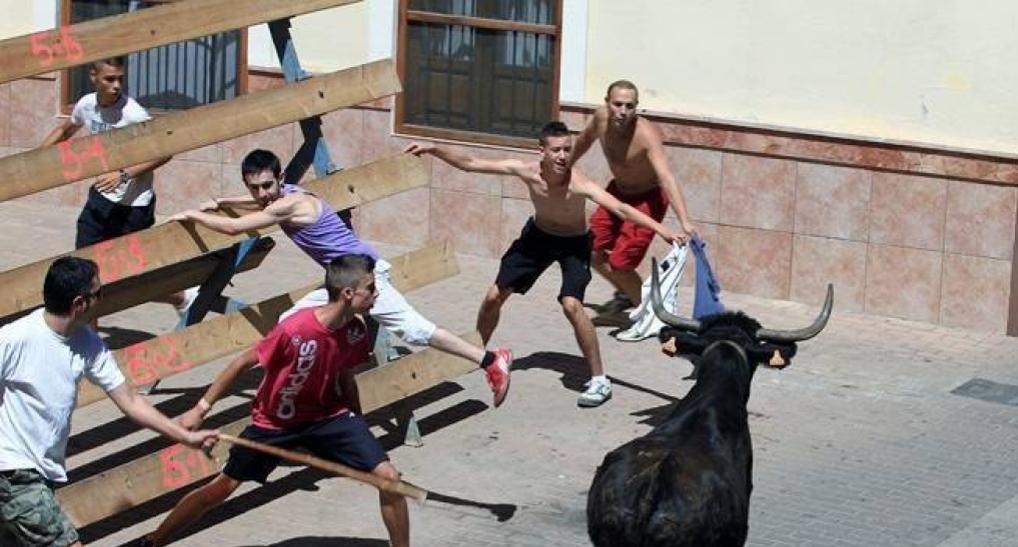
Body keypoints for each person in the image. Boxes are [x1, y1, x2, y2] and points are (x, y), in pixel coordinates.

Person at [118, 255, 446, 547]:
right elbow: (243, 362)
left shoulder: (355, 331)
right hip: (274, 424)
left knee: (389, 479)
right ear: (348, 293)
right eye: (371, 289)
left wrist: (357, 425)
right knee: (220, 491)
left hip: (328, 417)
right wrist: (200, 409)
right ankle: (150, 544)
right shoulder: (296, 328)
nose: (377, 295)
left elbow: (344, 374)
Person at [0, 257, 218, 547]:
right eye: (98, 293)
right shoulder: (15, 339)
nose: (102, 298)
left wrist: (186, 436)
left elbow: (131, 401)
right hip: (10, 470)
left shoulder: (86, 342)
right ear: (80, 302)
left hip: (40, 471)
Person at [171, 150, 513, 406]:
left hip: (363, 276)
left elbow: (235, 226)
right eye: (254, 187)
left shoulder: (286, 204)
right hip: (340, 280)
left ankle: (490, 359)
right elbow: (256, 203)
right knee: (292, 321)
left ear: (278, 179)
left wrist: (195, 214)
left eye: (266, 185)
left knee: (415, 330)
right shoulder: (285, 192)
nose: (261, 194)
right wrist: (222, 199)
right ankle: (310, 388)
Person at [404, 122, 684, 408]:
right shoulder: (526, 170)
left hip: (574, 243)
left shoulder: (578, 182)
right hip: (537, 238)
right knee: (493, 296)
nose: (563, 156)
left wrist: (662, 231)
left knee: (572, 305)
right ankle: (480, 355)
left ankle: (600, 379)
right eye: (556, 150)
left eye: (567, 150)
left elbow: (621, 208)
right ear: (542, 152)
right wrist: (434, 148)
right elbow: (472, 163)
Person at [40, 57, 190, 313]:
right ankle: (89, 339)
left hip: (134, 206)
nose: (116, 85)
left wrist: (123, 174)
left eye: (120, 79)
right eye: (110, 79)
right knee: (85, 274)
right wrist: (35, 160)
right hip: (101, 200)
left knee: (126, 277)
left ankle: (181, 297)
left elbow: (165, 151)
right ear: (94, 77)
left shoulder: (134, 114)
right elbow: (65, 131)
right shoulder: (86, 105)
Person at [569, 79, 699, 315]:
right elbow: (583, 141)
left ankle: (649, 314)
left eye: (629, 106)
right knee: (590, 249)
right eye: (618, 104)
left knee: (620, 264)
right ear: (607, 103)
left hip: (648, 200)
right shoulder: (600, 119)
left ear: (636, 107)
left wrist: (685, 220)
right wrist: (564, 168)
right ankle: (628, 295)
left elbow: (667, 177)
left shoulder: (646, 134)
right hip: (617, 193)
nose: (623, 111)